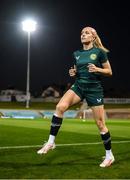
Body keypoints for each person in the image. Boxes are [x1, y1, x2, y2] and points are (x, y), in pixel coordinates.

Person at [37, 26, 115, 167]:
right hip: (79, 86)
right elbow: (78, 71)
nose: (83, 35)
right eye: (82, 33)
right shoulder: (76, 53)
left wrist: (97, 69)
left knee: (100, 124)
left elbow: (109, 71)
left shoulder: (100, 52)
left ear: (93, 37)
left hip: (93, 90)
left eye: (87, 33)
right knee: (60, 107)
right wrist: (74, 73)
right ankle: (50, 142)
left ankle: (109, 156)